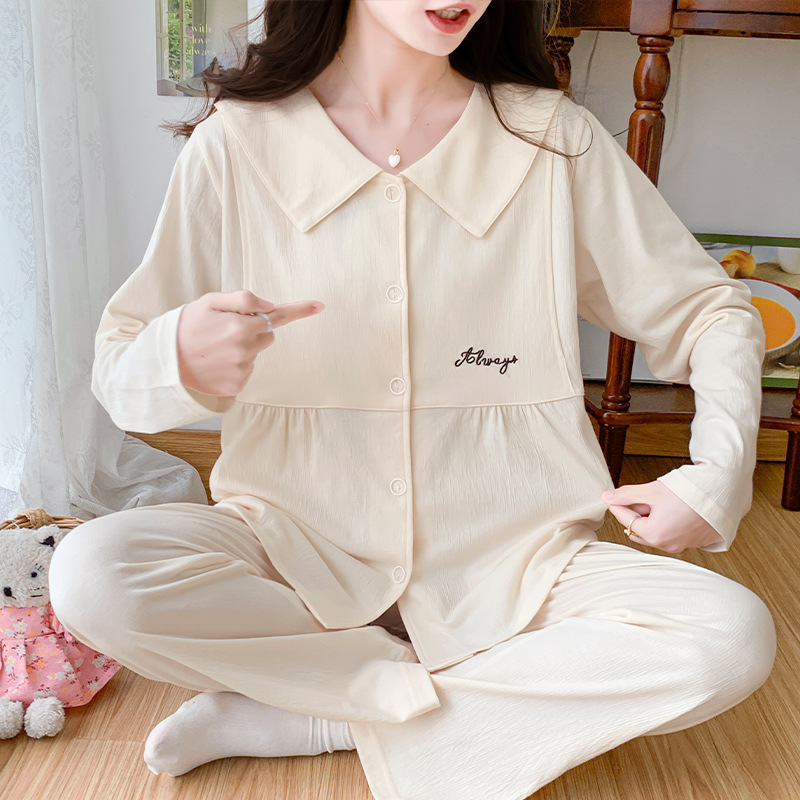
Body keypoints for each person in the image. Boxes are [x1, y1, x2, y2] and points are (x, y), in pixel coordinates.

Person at [47, 1, 777, 798]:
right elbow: (122, 375)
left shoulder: (548, 139)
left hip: (518, 564)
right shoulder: (240, 142)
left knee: (729, 637)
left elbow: (710, 310)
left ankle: (324, 716)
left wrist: (716, 472)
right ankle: (467, 698)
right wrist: (178, 354)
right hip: (294, 550)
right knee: (92, 574)